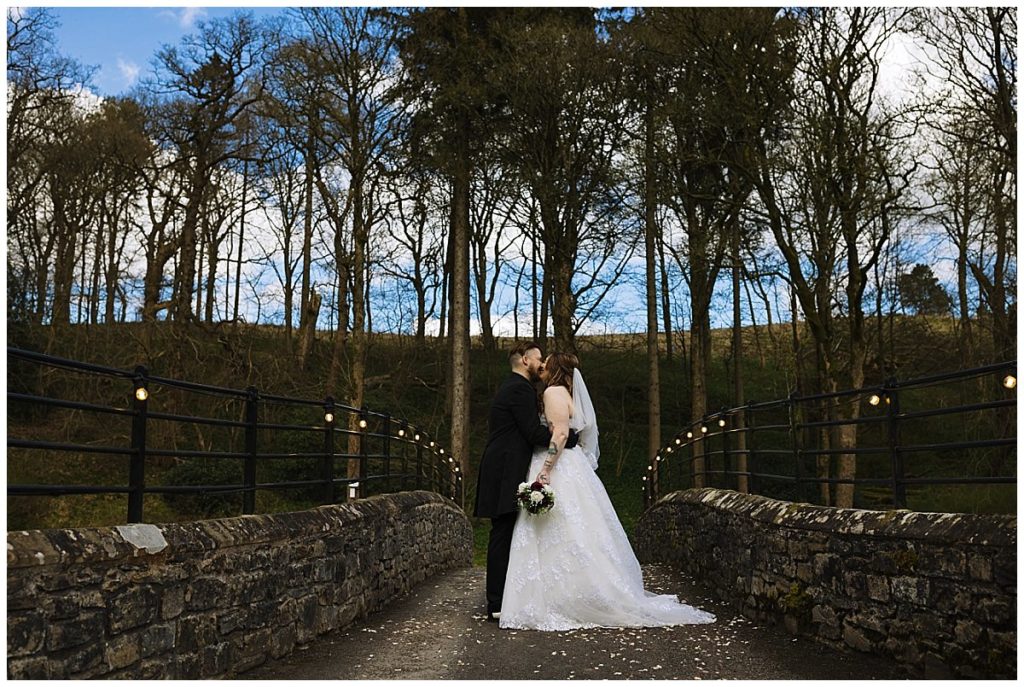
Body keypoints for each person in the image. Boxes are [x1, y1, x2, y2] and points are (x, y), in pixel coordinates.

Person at [499, 352, 716, 631]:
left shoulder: (553, 392)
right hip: (574, 466)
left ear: (553, 369)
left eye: (546, 361)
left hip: (560, 466)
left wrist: (546, 470)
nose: (541, 365)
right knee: (577, 531)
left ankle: (558, 597)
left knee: (559, 528)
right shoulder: (566, 392)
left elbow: (561, 434)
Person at [473, 342, 578, 623]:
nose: (541, 364)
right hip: (505, 469)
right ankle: (496, 602)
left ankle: (502, 598)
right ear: (523, 360)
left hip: (505, 466)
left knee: (504, 531)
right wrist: (568, 438)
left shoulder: (515, 387)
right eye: (538, 359)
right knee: (502, 532)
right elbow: (532, 432)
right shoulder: (519, 389)